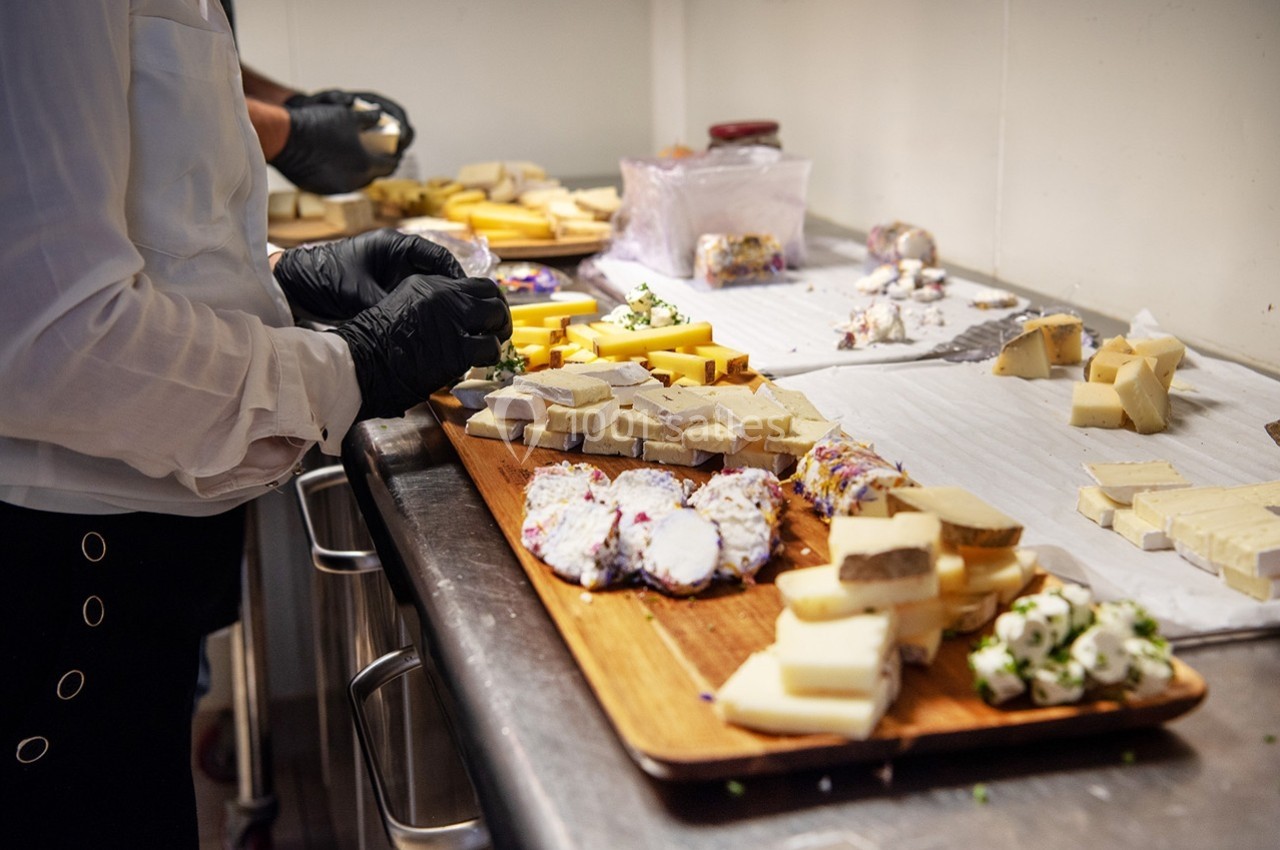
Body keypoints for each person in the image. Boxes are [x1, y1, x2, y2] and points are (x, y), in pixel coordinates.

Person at [0, 3, 511, 847]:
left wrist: (283, 278)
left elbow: (127, 215)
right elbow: (46, 337)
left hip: (122, 584)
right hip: (55, 597)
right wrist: (351, 365)